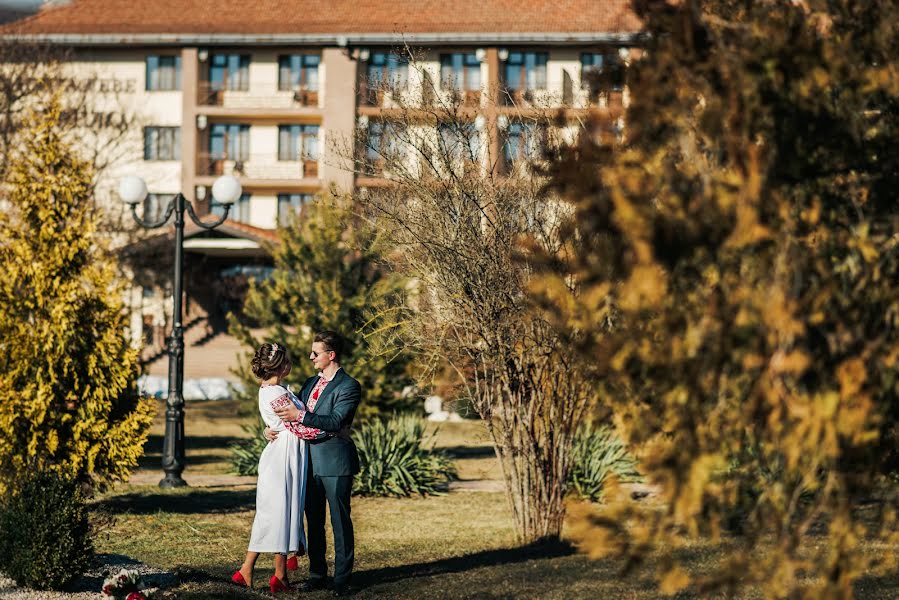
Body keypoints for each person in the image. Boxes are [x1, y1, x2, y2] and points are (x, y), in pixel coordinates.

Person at [267, 330, 362, 597]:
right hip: (307, 462)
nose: (310, 357)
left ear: (330, 355)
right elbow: (290, 418)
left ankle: (342, 580)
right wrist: (269, 429)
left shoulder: (349, 386)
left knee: (340, 522)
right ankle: (318, 575)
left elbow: (336, 422)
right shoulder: (309, 383)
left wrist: (301, 414)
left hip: (335, 462)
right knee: (314, 521)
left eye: (315, 353)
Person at [231, 342, 314, 593]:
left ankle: (278, 575)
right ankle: (252, 570)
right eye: (287, 360)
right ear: (282, 365)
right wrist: (325, 429)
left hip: (288, 451)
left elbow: (280, 421)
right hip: (283, 456)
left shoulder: (274, 389)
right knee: (277, 511)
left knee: (283, 511)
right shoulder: (274, 393)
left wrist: (270, 428)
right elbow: (296, 422)